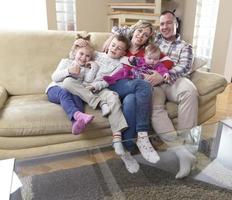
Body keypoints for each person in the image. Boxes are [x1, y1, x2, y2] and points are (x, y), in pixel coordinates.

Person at [103, 21, 161, 173]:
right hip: (115, 84)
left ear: (148, 39)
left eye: (146, 35)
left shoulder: (145, 53)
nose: (141, 36)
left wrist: (161, 74)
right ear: (134, 30)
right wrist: (112, 37)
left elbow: (162, 61)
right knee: (143, 86)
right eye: (139, 31)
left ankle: (127, 149)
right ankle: (142, 134)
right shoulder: (121, 44)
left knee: (130, 100)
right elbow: (116, 28)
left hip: (129, 89)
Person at [63, 34, 130, 157]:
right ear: (109, 44)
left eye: (119, 48)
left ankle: (117, 138)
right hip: (82, 85)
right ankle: (98, 103)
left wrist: (95, 86)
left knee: (113, 97)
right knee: (67, 82)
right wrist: (79, 42)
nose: (114, 49)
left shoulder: (119, 66)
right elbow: (79, 54)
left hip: (99, 89)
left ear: (123, 53)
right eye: (113, 45)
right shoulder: (97, 54)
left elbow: (108, 81)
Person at [149, 10, 198, 179]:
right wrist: (113, 37)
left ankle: (188, 145)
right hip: (154, 84)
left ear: (176, 25)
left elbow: (184, 67)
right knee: (154, 108)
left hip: (173, 81)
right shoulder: (153, 40)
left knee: (190, 91)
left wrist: (163, 75)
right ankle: (181, 153)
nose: (165, 27)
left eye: (168, 23)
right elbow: (130, 31)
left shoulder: (185, 46)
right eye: (162, 23)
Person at [45, 36, 95, 135]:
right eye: (81, 53)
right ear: (74, 53)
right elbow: (54, 77)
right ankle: (78, 115)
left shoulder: (85, 70)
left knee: (77, 97)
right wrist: (68, 71)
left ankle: (76, 124)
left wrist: (94, 67)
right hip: (55, 89)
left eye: (87, 56)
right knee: (64, 92)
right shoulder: (66, 62)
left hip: (71, 91)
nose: (84, 57)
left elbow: (88, 81)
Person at [103, 43, 172, 84]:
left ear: (159, 58)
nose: (152, 61)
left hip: (143, 78)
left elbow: (163, 70)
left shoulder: (158, 65)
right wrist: (131, 59)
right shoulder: (142, 60)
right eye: (150, 58)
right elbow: (134, 60)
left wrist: (166, 74)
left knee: (140, 79)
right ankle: (112, 78)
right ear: (144, 56)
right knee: (124, 70)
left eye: (155, 59)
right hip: (133, 74)